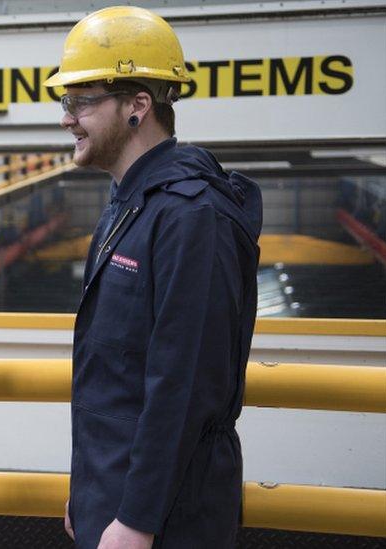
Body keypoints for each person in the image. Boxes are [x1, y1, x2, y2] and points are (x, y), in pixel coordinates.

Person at [43, 7, 262, 548]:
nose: (68, 118)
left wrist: (137, 518)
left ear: (138, 106)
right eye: (66, 102)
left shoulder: (193, 217)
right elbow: (113, 376)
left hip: (166, 518)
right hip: (113, 498)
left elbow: (182, 383)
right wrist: (90, 490)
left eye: (82, 101)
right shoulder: (131, 204)